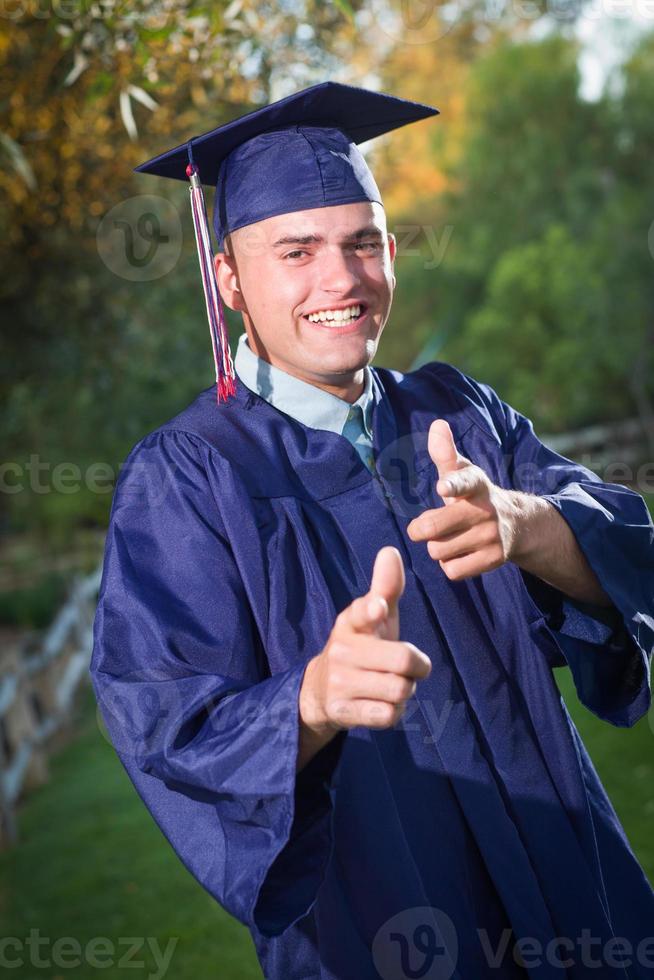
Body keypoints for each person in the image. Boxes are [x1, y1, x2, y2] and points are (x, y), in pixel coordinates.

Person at [90, 82, 654, 979]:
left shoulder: (458, 412)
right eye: (296, 250)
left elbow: (634, 549)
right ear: (229, 279)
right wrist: (309, 700)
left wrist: (532, 523)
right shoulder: (189, 476)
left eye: (361, 243)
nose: (340, 279)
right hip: (380, 926)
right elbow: (163, 719)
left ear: (391, 252)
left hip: (576, 887)